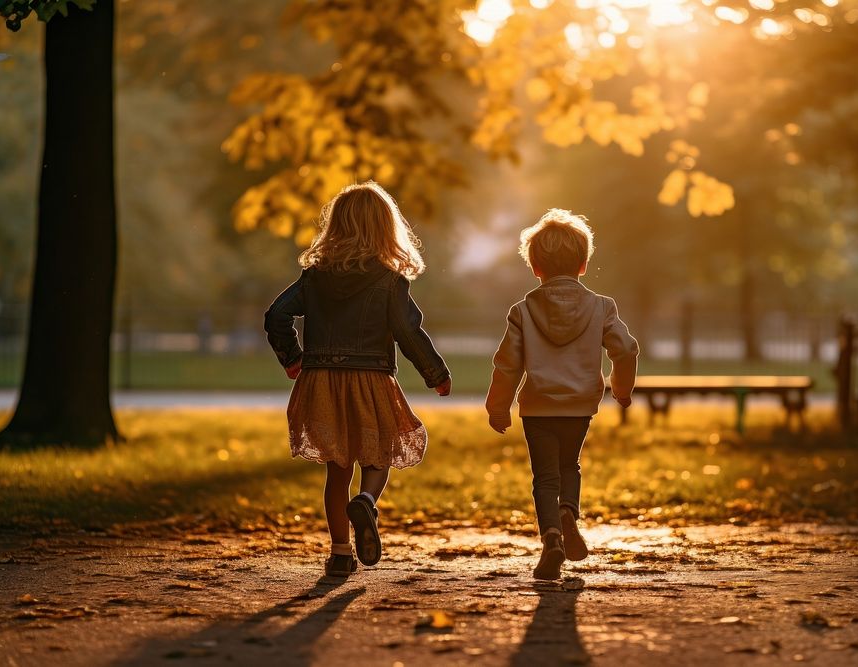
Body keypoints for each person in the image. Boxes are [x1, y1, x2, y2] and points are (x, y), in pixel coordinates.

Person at [264, 181, 452, 578]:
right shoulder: (388, 279)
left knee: (336, 468)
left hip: (321, 380)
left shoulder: (315, 277)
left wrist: (293, 358)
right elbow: (407, 330)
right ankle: (366, 500)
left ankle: (339, 553)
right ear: (386, 228)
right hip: (371, 378)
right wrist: (435, 374)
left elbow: (277, 315)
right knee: (377, 454)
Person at [486, 209, 639, 580]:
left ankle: (551, 536)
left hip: (538, 406)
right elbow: (626, 349)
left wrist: (498, 405)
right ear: (584, 264)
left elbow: (507, 364)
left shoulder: (522, 311)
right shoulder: (602, 307)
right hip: (580, 404)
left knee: (544, 476)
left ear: (535, 266)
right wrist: (621, 387)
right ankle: (569, 512)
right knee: (570, 464)